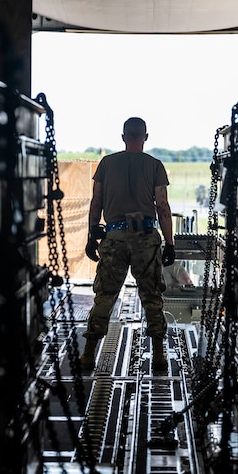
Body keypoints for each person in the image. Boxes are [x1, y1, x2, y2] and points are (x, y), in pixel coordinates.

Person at [81, 116, 176, 373]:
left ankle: (88, 355)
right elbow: (163, 207)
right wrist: (169, 243)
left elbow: (96, 201)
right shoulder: (155, 166)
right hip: (145, 237)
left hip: (114, 237)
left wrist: (92, 235)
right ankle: (158, 356)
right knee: (152, 297)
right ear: (145, 137)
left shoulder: (107, 164)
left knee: (105, 296)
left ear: (123, 137)